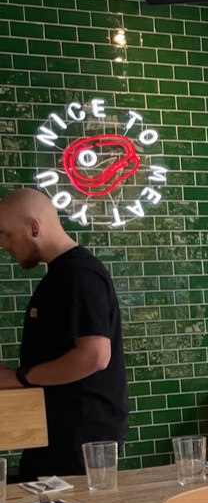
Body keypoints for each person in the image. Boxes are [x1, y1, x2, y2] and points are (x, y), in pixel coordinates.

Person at [0, 187, 128, 477]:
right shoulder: (62, 274)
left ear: (34, 227)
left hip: (80, 441)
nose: (4, 244)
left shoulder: (79, 274)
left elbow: (95, 356)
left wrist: (21, 377)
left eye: (6, 234)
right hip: (62, 436)